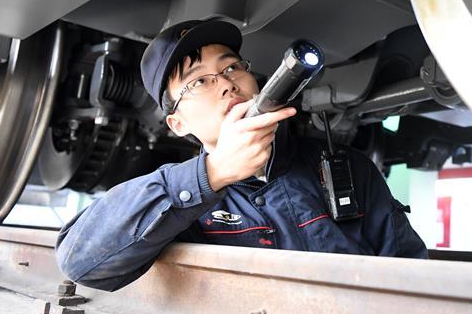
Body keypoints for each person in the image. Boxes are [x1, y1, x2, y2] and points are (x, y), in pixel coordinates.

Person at [56, 19, 427, 291]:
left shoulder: (347, 166)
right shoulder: (176, 202)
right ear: (177, 123)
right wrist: (212, 174)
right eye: (199, 80)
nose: (227, 83)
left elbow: (410, 275)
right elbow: (81, 263)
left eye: (232, 67)